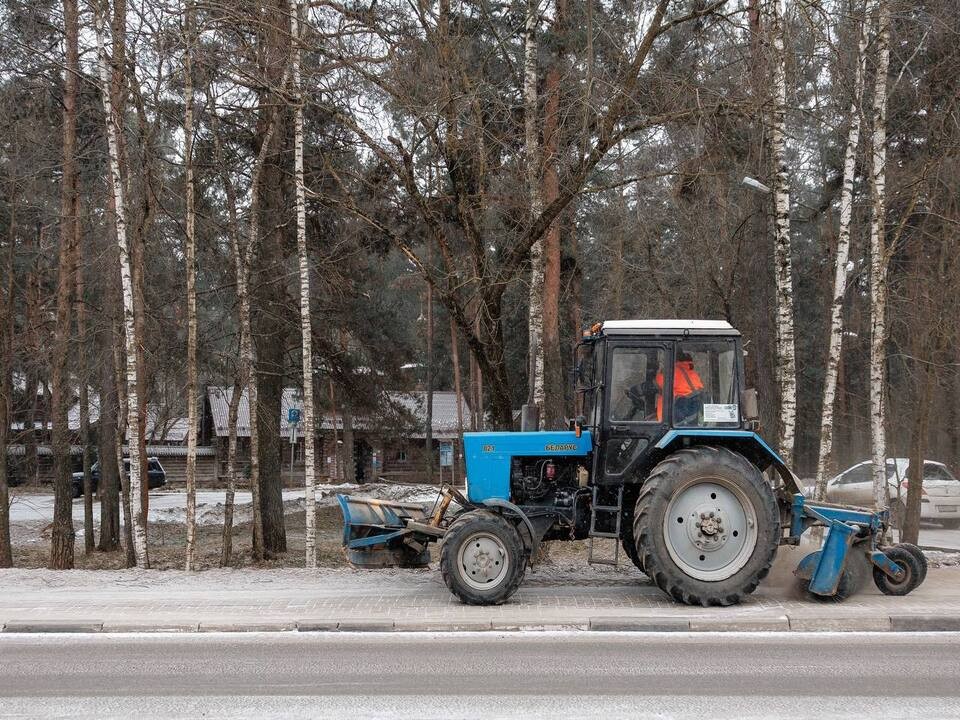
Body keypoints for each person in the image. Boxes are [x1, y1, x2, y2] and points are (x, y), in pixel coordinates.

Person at [656, 350, 704, 422]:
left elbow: (655, 384)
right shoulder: (694, 374)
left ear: (672, 359)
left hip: (672, 419)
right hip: (691, 418)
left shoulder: (671, 371)